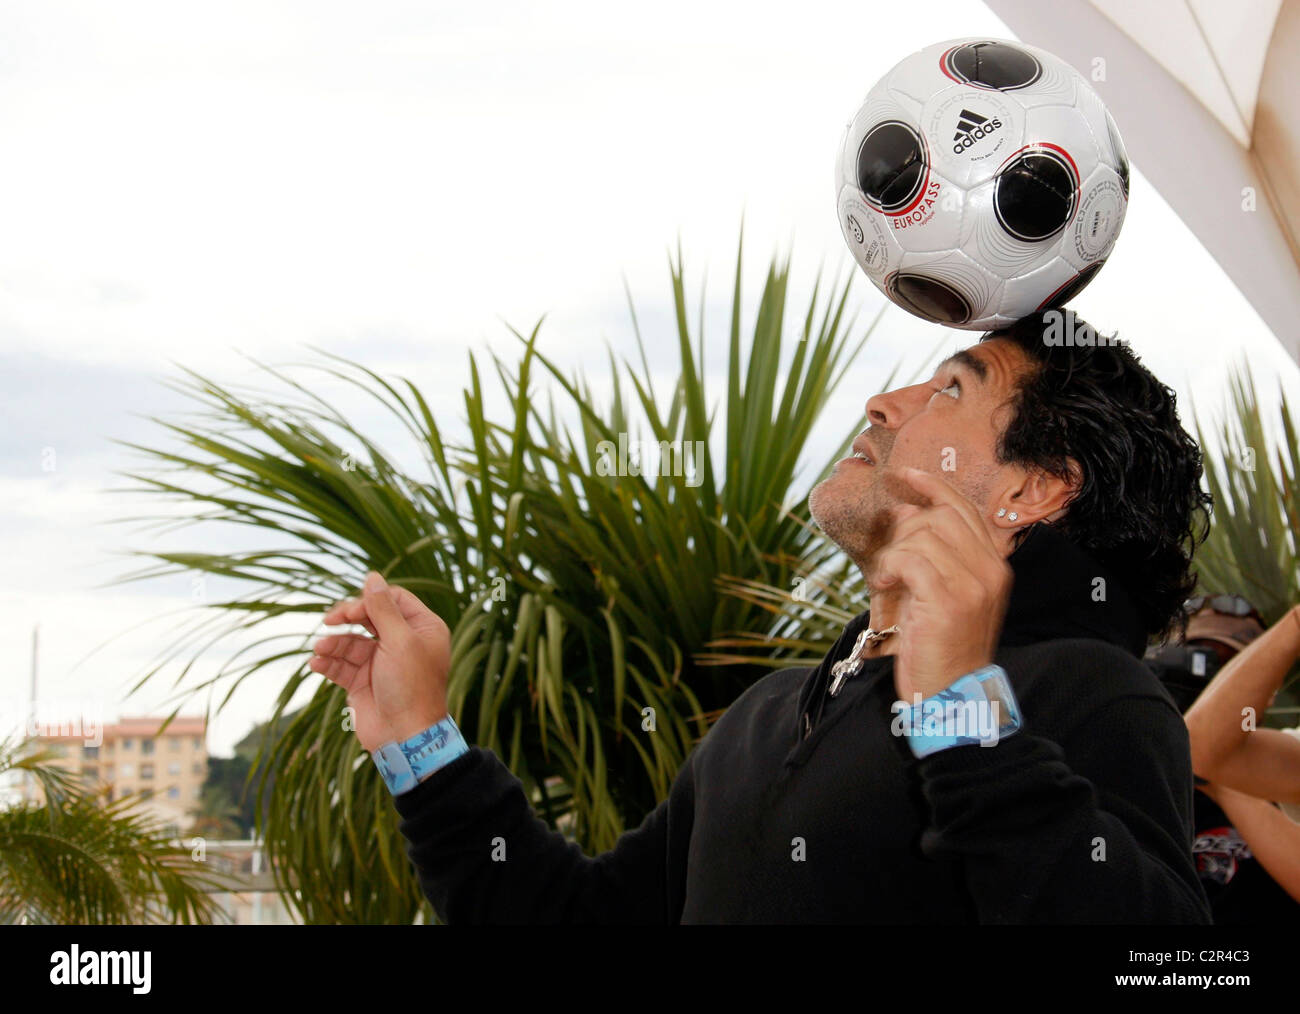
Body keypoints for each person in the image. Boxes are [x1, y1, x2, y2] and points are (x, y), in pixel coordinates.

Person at [309, 309, 1214, 923]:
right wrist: (421, 744)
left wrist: (961, 714)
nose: (883, 403)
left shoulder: (1091, 693)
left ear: (1033, 487)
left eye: (950, 388)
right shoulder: (771, 712)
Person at [1162, 595, 1300, 919]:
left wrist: (1221, 784)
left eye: (1225, 666)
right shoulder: (1136, 766)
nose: (1210, 688)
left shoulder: (1281, 770)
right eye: (1191, 659)